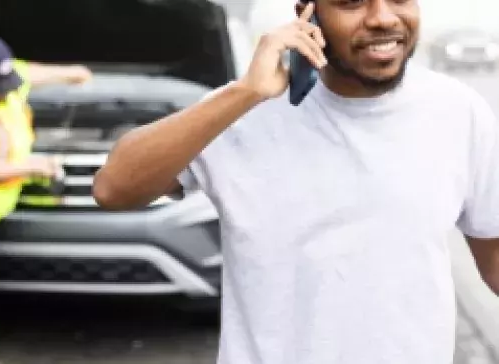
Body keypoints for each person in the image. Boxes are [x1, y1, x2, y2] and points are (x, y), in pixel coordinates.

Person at [93, 1, 499, 363]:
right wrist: (246, 92)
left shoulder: (457, 112)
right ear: (307, 13)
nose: (382, 17)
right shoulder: (243, 112)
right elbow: (114, 189)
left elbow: (493, 259)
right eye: (351, 2)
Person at [0, 35, 92, 363]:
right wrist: (33, 166)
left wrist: (72, 73)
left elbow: (25, 72)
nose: (9, 89)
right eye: (0, 84)